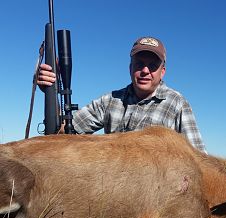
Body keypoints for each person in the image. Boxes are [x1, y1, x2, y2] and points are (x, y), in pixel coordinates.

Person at [37, 36, 207, 153]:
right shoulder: (110, 101)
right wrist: (51, 89)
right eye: (139, 64)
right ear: (130, 68)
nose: (145, 71)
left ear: (162, 72)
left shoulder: (177, 103)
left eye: (153, 66)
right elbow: (64, 133)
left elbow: (200, 160)